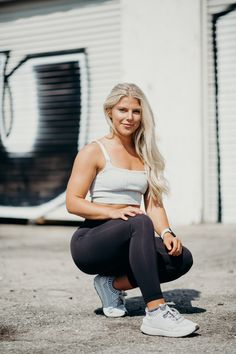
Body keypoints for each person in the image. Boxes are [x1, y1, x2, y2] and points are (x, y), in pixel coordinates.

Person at [66, 83, 199, 337]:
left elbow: (153, 203)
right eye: (122, 109)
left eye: (136, 111)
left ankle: (112, 285)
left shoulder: (145, 153)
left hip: (130, 237)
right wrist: (111, 212)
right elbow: (73, 201)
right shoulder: (94, 151)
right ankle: (156, 312)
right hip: (92, 241)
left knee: (181, 258)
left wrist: (168, 232)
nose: (129, 117)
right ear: (110, 112)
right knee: (140, 222)